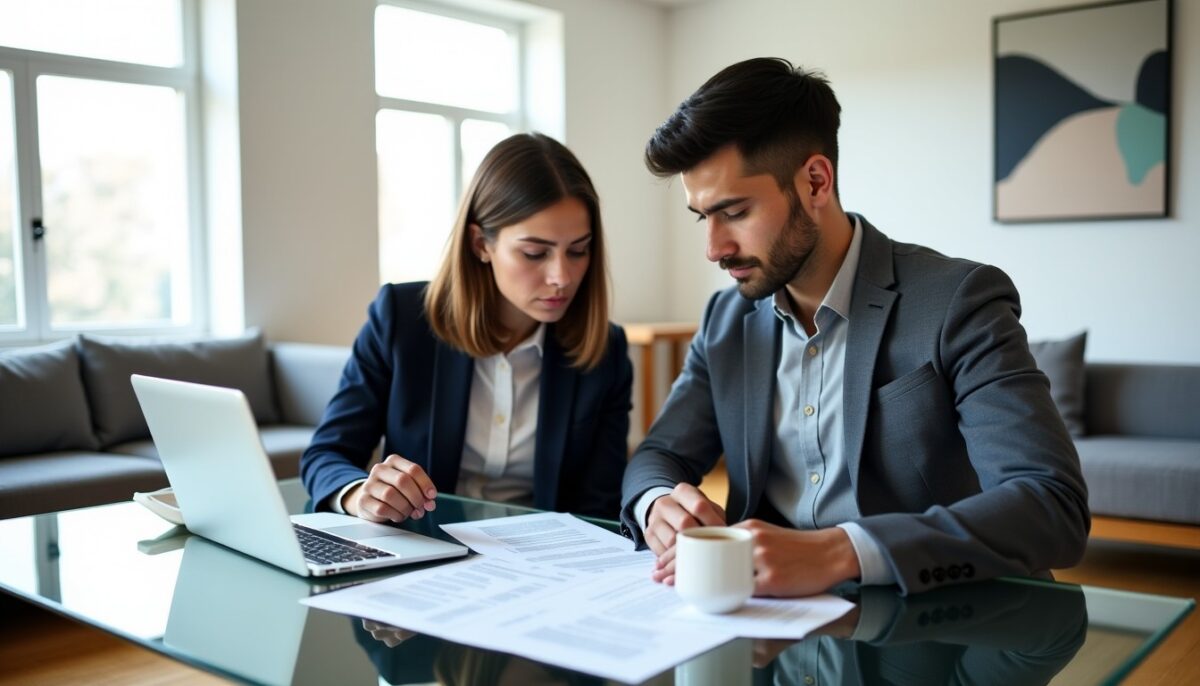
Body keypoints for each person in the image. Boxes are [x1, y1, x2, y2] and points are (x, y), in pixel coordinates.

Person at [620, 58, 1090, 595]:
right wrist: (656, 501)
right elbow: (659, 455)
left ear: (816, 182)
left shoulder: (959, 301)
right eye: (704, 217)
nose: (713, 249)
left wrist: (841, 551)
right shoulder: (726, 321)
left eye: (735, 211)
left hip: (932, 632)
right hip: (766, 632)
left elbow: (1052, 505)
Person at [302, 133, 632, 522]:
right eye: (534, 253)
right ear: (480, 244)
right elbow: (327, 455)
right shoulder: (401, 320)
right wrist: (361, 495)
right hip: (423, 552)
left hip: (541, 564)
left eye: (578, 250)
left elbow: (599, 508)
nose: (562, 276)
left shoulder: (605, 350)